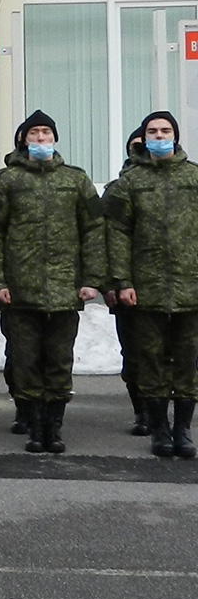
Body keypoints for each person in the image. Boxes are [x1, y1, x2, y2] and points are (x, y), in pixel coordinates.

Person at [0, 110, 104, 453]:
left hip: (65, 291)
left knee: (60, 360)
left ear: (55, 139)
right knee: (26, 360)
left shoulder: (76, 180)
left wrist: (92, 279)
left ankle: (54, 426)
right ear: (23, 140)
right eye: (34, 134)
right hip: (19, 292)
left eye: (46, 133)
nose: (40, 139)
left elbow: (94, 230)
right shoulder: (7, 181)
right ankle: (34, 426)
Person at [105, 110, 198, 459]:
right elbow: (116, 234)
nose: (160, 136)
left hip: (191, 289)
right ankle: (159, 429)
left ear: (176, 135)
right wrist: (122, 281)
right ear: (143, 138)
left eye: (166, 130)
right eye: (153, 132)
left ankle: (183, 431)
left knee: (187, 362)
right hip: (146, 290)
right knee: (151, 361)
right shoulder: (130, 182)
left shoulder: (194, 177)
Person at [103, 129, 147, 437]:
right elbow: (104, 237)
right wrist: (108, 285)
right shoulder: (116, 190)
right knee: (135, 354)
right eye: (137, 146)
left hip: (181, 287)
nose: (144, 150)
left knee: (182, 357)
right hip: (128, 286)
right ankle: (143, 413)